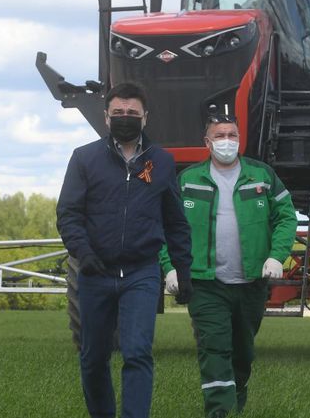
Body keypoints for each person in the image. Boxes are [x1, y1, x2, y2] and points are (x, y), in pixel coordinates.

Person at [57, 82, 193, 418]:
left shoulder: (162, 162)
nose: (125, 118)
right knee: (93, 357)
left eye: (132, 113)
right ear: (106, 117)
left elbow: (175, 222)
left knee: (137, 353)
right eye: (118, 112)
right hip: (95, 272)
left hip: (141, 273)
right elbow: (68, 213)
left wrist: (183, 270)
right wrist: (83, 253)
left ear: (145, 118)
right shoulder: (84, 159)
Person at [160, 112, 297, 418]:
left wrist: (276, 255)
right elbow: (167, 226)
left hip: (251, 284)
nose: (227, 141)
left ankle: (236, 399)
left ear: (240, 139)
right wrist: (170, 267)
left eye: (232, 135)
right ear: (207, 142)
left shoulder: (262, 175)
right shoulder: (188, 180)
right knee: (214, 348)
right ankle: (219, 411)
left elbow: (287, 217)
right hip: (205, 284)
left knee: (243, 353)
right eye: (220, 136)